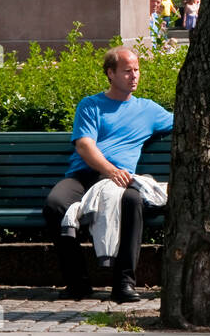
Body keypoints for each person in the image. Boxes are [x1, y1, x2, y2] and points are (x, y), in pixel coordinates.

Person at [43, 47, 173, 302]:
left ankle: (124, 284)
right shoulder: (91, 105)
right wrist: (110, 170)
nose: (134, 76)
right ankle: (77, 283)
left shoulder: (149, 110)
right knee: (55, 205)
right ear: (110, 73)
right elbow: (84, 145)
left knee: (132, 201)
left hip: (121, 182)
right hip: (86, 175)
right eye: (127, 71)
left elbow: (187, 120)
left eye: (136, 70)